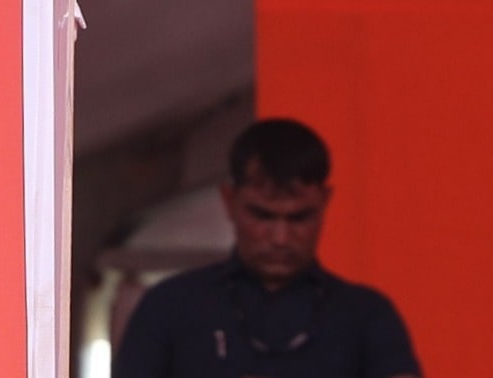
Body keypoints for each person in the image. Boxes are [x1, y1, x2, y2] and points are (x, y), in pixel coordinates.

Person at [113, 118, 422, 378]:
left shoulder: (366, 315)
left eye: (299, 217)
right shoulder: (170, 307)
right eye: (262, 215)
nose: (280, 238)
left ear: (324, 204)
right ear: (229, 202)